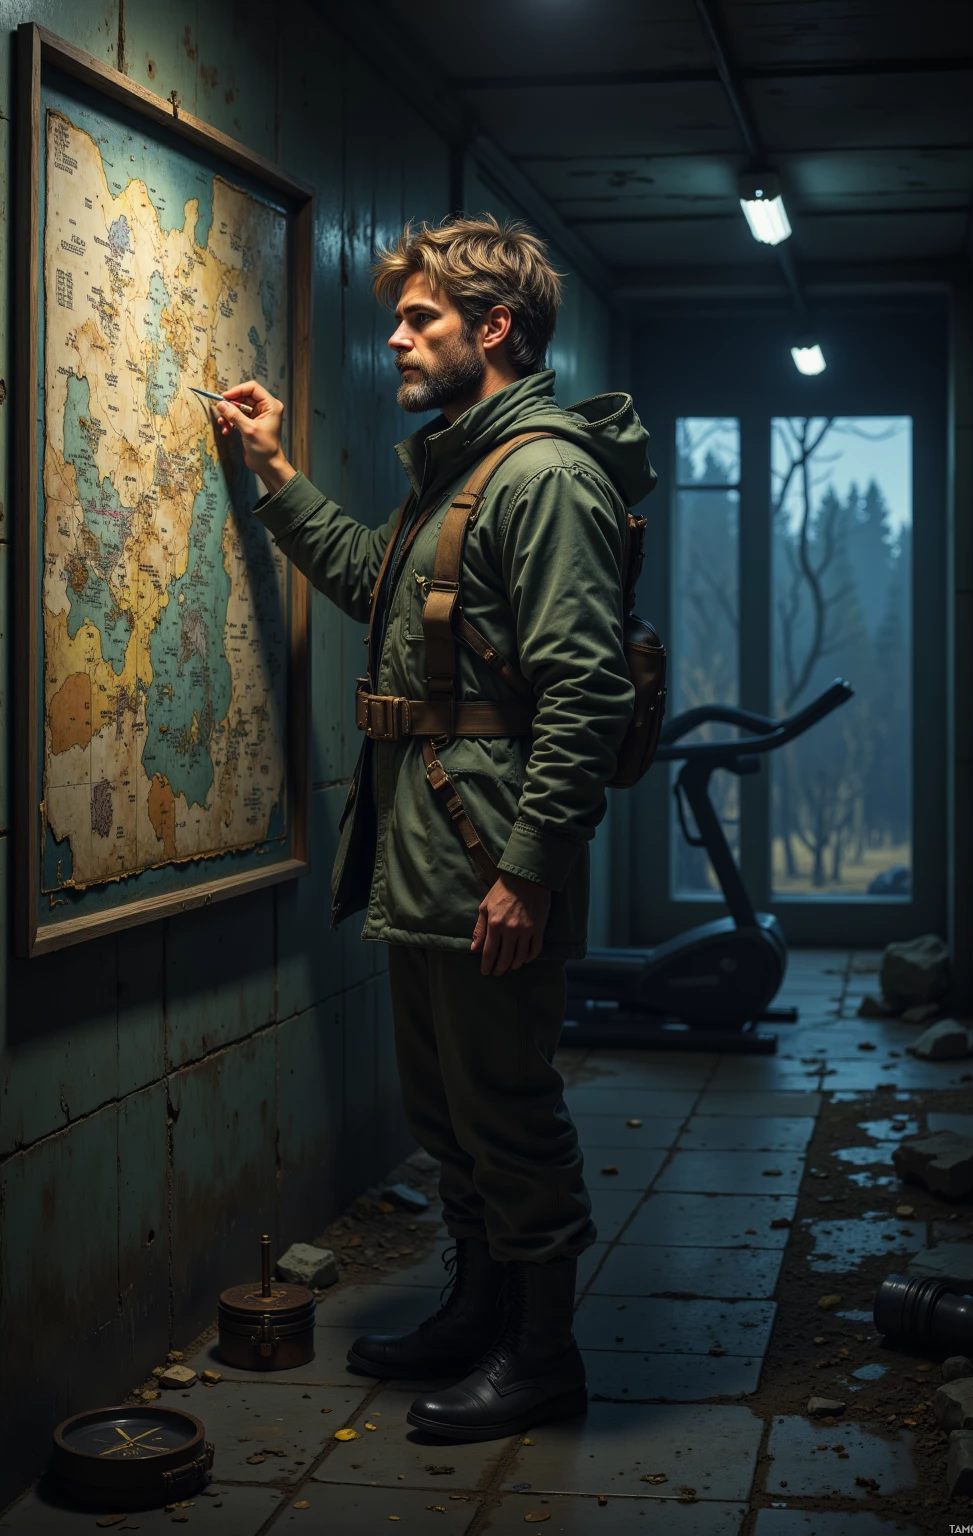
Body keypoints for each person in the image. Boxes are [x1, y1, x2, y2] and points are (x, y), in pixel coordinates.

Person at [214, 215, 656, 1441]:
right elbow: (374, 579)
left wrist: (527, 874)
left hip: (485, 852)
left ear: (495, 328)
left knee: (508, 1111)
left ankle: (541, 1355)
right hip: (426, 846)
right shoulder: (458, 470)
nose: (394, 340)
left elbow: (583, 689)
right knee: (448, 1117)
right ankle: (477, 1316)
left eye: (421, 320)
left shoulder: (544, 475)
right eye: (400, 319)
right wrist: (274, 469)